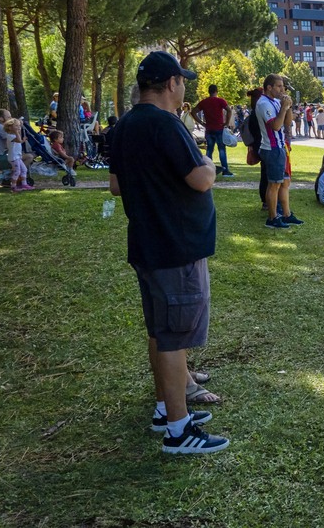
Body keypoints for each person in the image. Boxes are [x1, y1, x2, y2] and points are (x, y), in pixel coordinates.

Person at [108, 50, 228, 454]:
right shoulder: (166, 124)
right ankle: (178, 430)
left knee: (160, 331)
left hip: (147, 244)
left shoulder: (124, 126)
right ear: (171, 83)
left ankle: (165, 408)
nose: (184, 89)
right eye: (183, 82)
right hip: (175, 246)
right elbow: (199, 178)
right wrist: (209, 165)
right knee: (176, 337)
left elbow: (116, 186)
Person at [256, 74, 302, 228]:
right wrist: (283, 107)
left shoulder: (276, 101)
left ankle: (286, 214)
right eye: (279, 86)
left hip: (281, 148)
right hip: (272, 148)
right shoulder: (263, 104)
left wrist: (287, 107)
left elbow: (287, 123)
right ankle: (272, 218)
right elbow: (275, 126)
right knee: (274, 184)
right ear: (269, 87)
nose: (283, 89)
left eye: (283, 86)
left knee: (284, 183)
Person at [191, 84, 234, 177]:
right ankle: (225, 170)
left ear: (208, 91)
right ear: (216, 91)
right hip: (219, 128)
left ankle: (207, 169)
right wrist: (226, 122)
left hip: (209, 129)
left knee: (209, 150)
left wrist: (201, 122)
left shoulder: (204, 102)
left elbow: (193, 112)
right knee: (221, 149)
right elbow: (229, 110)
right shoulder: (220, 101)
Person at [2, 118, 32, 191]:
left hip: (17, 157)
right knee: (17, 171)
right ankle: (13, 186)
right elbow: (18, 140)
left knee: (24, 169)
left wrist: (23, 140)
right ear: (10, 127)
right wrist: (17, 132)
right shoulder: (10, 136)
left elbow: (19, 141)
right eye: (16, 126)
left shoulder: (14, 135)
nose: (19, 127)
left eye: (19, 126)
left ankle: (24, 184)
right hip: (13, 157)